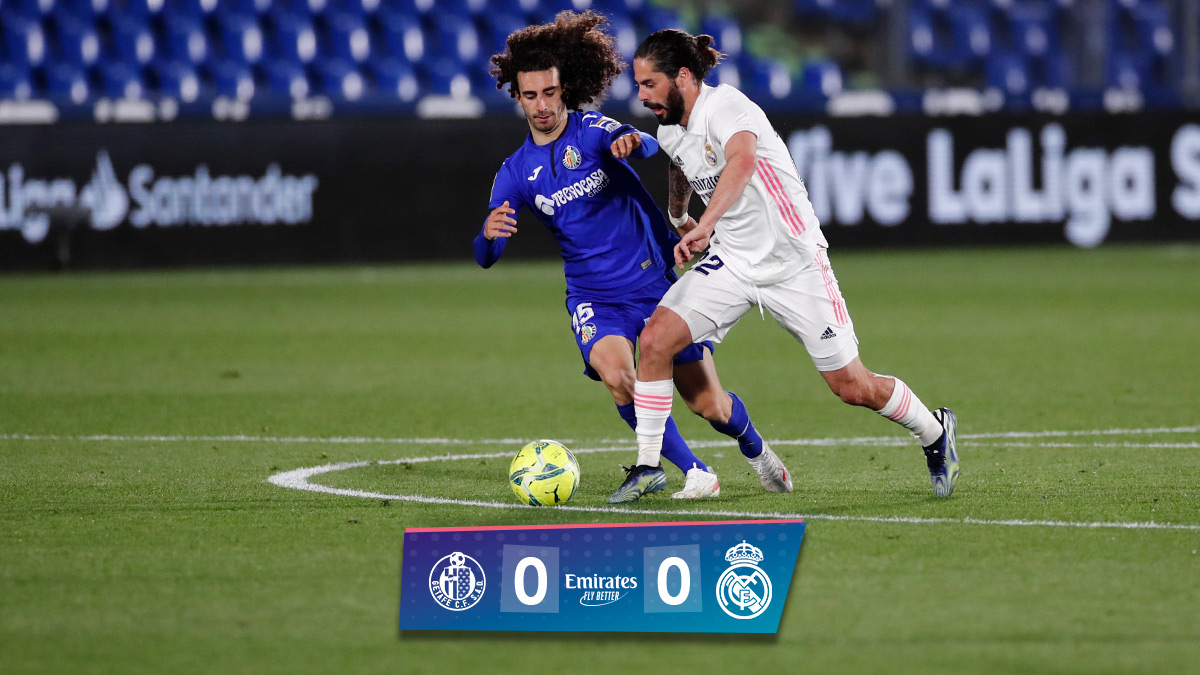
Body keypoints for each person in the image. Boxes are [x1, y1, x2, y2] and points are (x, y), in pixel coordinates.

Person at [476, 11, 794, 503]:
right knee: (618, 375)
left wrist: (630, 141)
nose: (542, 105)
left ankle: (757, 450)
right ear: (517, 97)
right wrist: (489, 236)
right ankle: (693, 471)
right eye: (530, 95)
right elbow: (486, 254)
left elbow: (642, 143)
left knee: (708, 404)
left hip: (652, 284)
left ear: (564, 90)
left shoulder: (591, 130)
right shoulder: (515, 172)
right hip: (593, 296)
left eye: (550, 93)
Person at [628, 29, 960, 497]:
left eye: (649, 84)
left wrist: (707, 223)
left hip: (794, 262)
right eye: (639, 85)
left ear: (682, 76)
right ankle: (647, 465)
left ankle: (934, 431)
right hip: (732, 260)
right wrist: (679, 215)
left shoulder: (727, 107)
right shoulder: (669, 128)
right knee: (654, 340)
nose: (641, 95)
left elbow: (741, 162)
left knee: (852, 386)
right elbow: (680, 162)